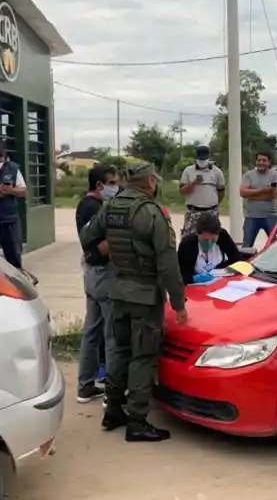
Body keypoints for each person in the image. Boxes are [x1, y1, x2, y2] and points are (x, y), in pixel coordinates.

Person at [79, 161, 187, 442]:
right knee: (143, 356)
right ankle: (137, 421)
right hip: (145, 295)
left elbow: (87, 237)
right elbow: (167, 263)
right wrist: (179, 303)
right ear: (150, 182)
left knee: (120, 351)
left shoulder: (111, 206)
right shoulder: (151, 213)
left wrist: (112, 248)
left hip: (117, 290)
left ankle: (113, 410)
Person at [75, 164, 119, 404]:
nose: (116, 187)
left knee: (91, 331)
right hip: (103, 273)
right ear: (100, 184)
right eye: (112, 182)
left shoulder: (84, 204)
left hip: (92, 275)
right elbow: (100, 246)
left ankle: (85, 386)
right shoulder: (95, 208)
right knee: (111, 334)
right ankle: (112, 393)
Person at [177, 211, 241, 285]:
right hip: (195, 288)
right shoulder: (187, 244)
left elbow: (236, 259)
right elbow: (180, 276)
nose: (209, 243)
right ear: (198, 234)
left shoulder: (223, 236)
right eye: (205, 240)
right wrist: (193, 278)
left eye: (213, 240)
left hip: (220, 284)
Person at [179, 145, 226, 237]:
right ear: (196, 158)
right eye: (200, 160)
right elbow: (182, 191)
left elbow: (221, 192)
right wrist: (194, 183)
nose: (202, 162)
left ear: (209, 158)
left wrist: (214, 202)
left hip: (211, 211)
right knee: (189, 238)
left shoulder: (217, 172)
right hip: (193, 212)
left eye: (204, 159)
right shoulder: (188, 171)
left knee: (212, 237)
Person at [239, 151, 277, 247]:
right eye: (259, 160)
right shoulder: (248, 175)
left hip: (270, 216)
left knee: (275, 245)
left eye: (264, 160)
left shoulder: (275, 175)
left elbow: (272, 193)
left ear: (269, 162)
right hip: (251, 216)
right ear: (255, 161)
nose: (261, 162)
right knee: (246, 246)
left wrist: (251, 193)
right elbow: (242, 192)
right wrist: (262, 190)